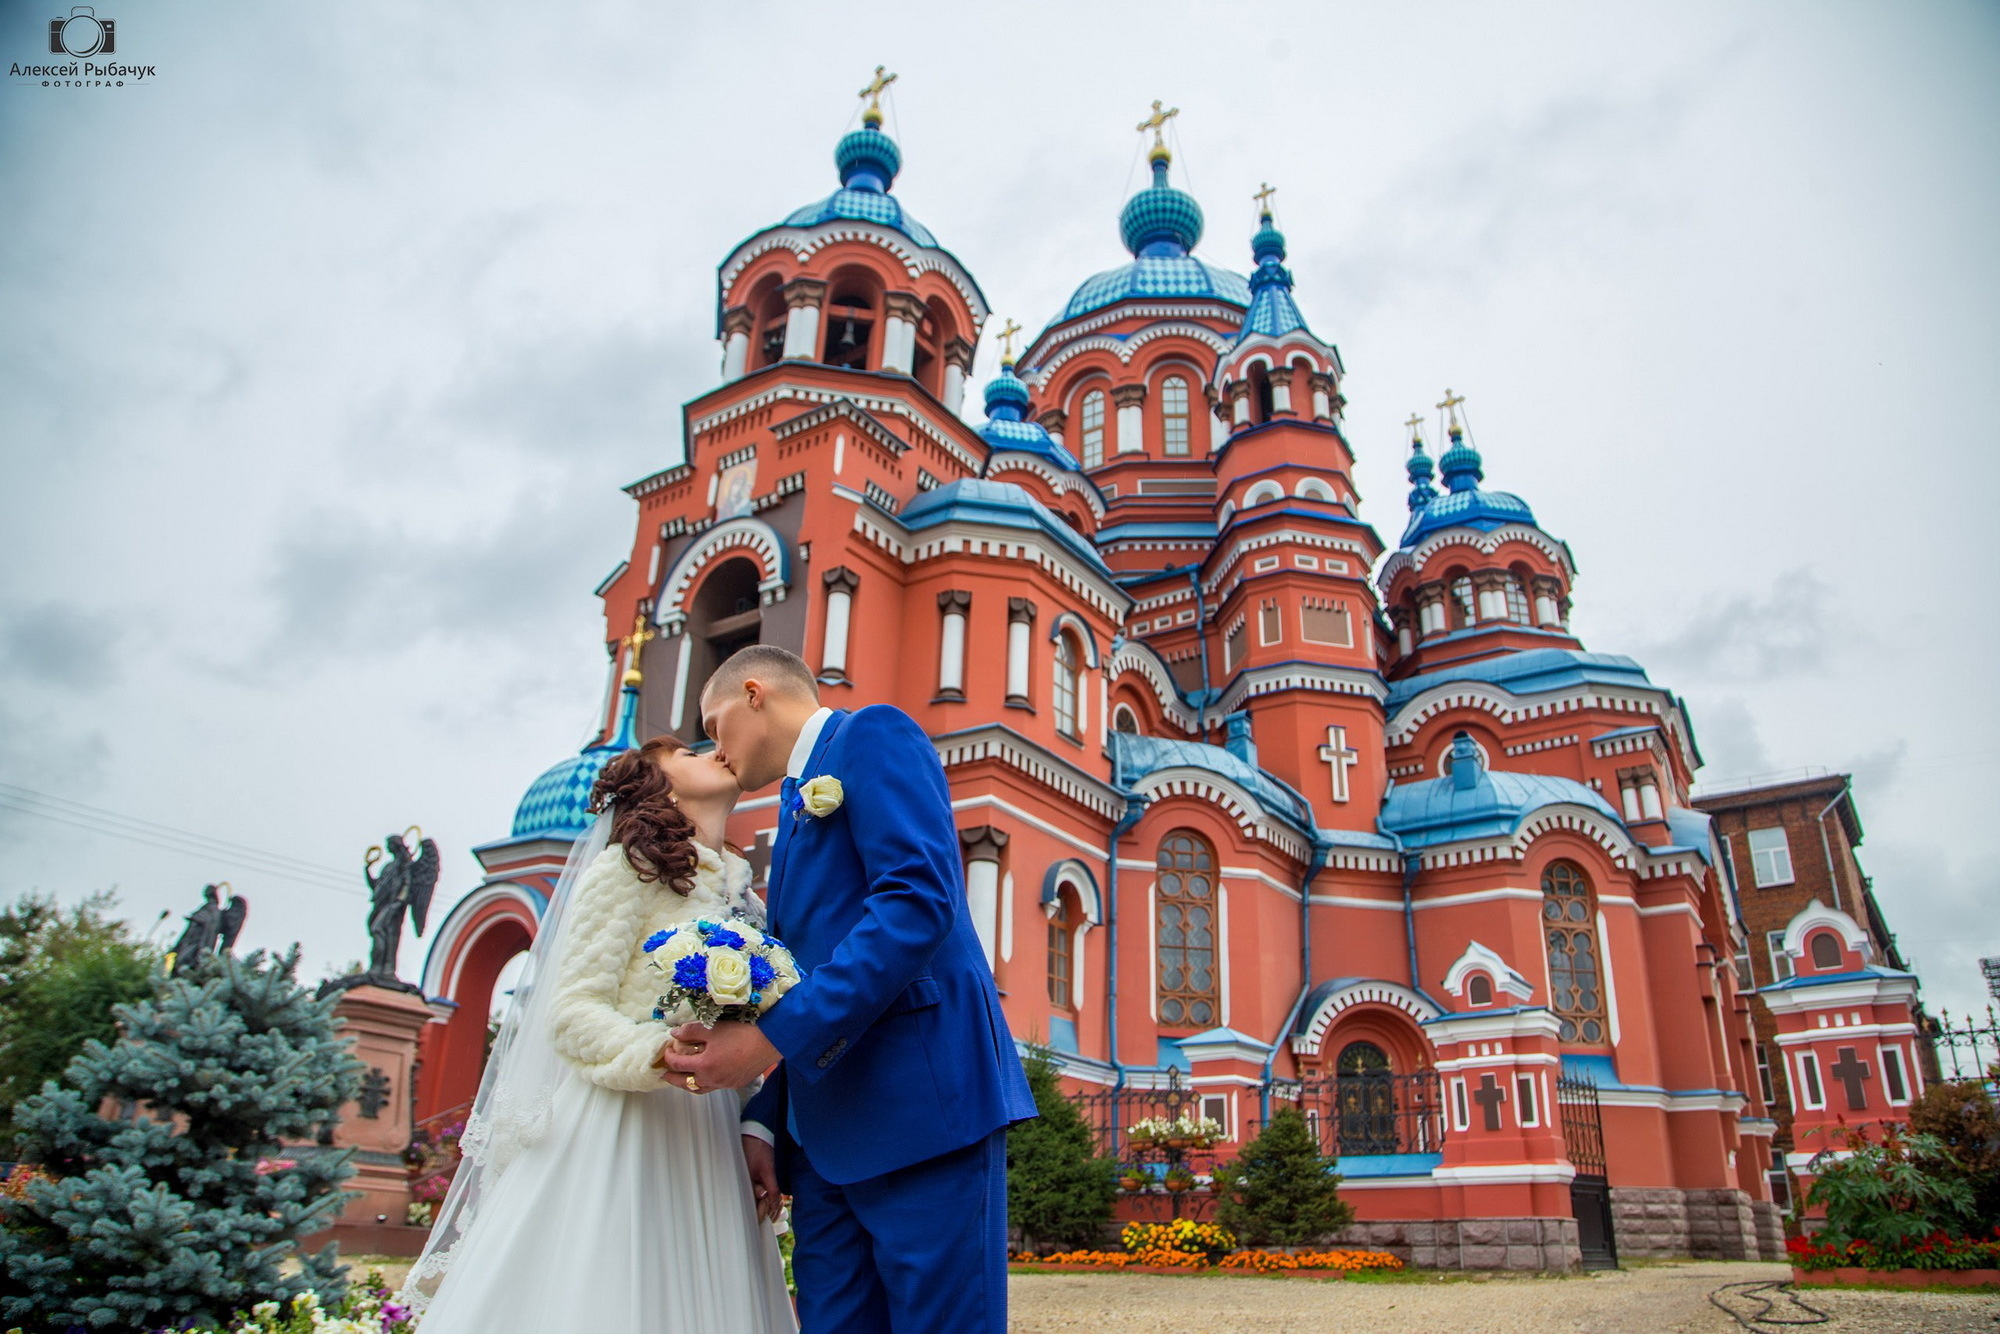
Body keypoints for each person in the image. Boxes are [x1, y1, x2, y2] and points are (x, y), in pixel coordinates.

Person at [662, 644, 1035, 1334]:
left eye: (716, 728)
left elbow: (917, 901)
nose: (718, 751)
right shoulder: (793, 813)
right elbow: (799, 979)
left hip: (922, 1107)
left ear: (754, 694)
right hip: (822, 1139)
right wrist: (764, 1120)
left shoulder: (872, 734)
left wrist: (769, 1039)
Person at [401, 735, 795, 1333]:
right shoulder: (627, 870)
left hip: (711, 1127)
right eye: (687, 756)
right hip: (626, 1123)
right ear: (660, 790)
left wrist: (752, 1122)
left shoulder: (745, 899)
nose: (712, 751)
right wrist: (654, 1052)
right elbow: (573, 1010)